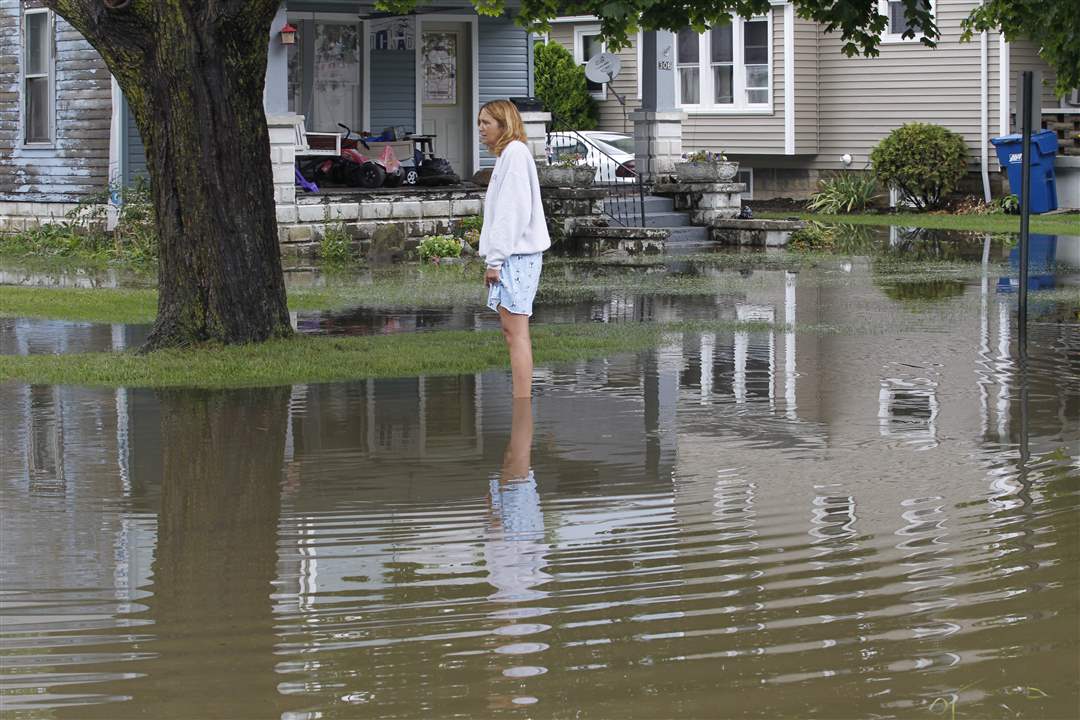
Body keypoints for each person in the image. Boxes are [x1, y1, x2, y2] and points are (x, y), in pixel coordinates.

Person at [476, 99, 551, 399]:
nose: (480, 129)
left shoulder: (516, 155)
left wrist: (495, 261)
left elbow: (512, 213)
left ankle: (522, 403)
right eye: (479, 123)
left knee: (516, 333)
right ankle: (521, 404)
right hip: (512, 257)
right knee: (511, 333)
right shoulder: (509, 155)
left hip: (516, 258)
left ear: (504, 125)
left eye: (486, 123)